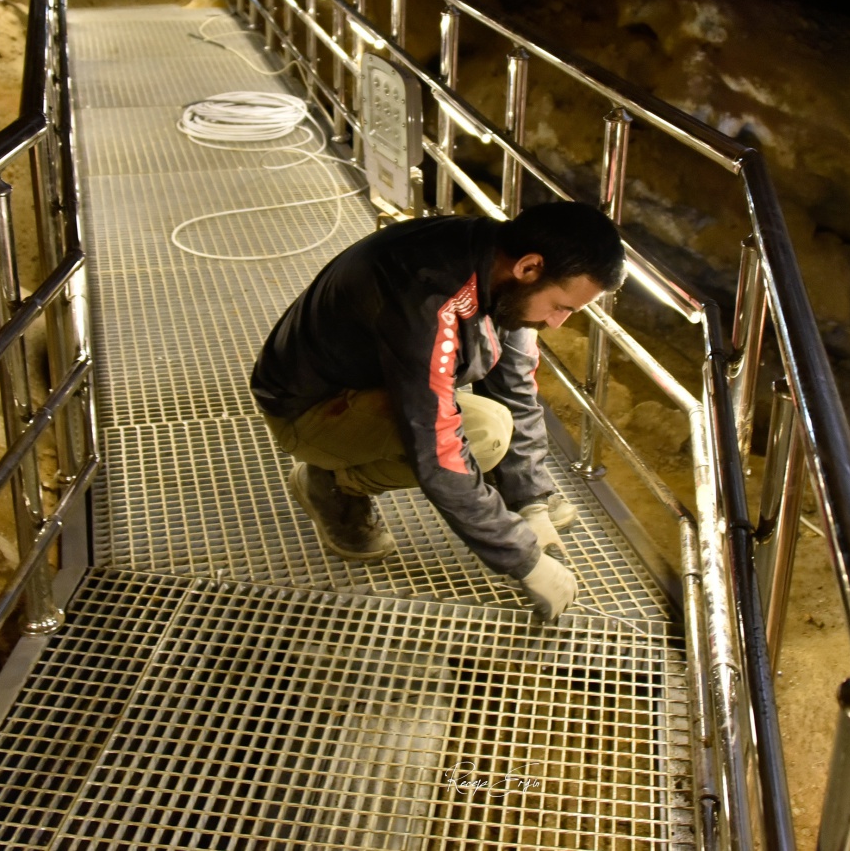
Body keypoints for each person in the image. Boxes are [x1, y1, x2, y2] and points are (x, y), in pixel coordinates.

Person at [250, 201, 626, 621]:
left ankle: (513, 494)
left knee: (494, 421)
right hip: (308, 408)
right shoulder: (430, 292)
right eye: (562, 306)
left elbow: (515, 384)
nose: (558, 322)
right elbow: (437, 446)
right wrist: (523, 559)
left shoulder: (495, 263)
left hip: (368, 376)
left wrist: (529, 500)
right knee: (484, 432)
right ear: (530, 267)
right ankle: (335, 482)